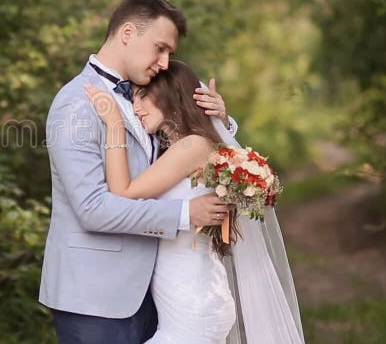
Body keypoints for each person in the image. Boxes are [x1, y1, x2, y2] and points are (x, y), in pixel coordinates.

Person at [39, 0, 236, 343]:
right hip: (95, 299)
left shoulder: (148, 96)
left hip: (154, 296)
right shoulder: (76, 105)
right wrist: (184, 214)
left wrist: (221, 121)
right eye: (159, 48)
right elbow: (92, 210)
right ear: (127, 33)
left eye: (170, 55)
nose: (164, 62)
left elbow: (191, 148)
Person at [84, 61, 304, 343]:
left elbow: (123, 194)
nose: (134, 108)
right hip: (194, 294)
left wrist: (114, 125)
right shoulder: (186, 146)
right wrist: (224, 123)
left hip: (192, 302)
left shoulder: (191, 146)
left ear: (168, 95)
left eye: (141, 96)